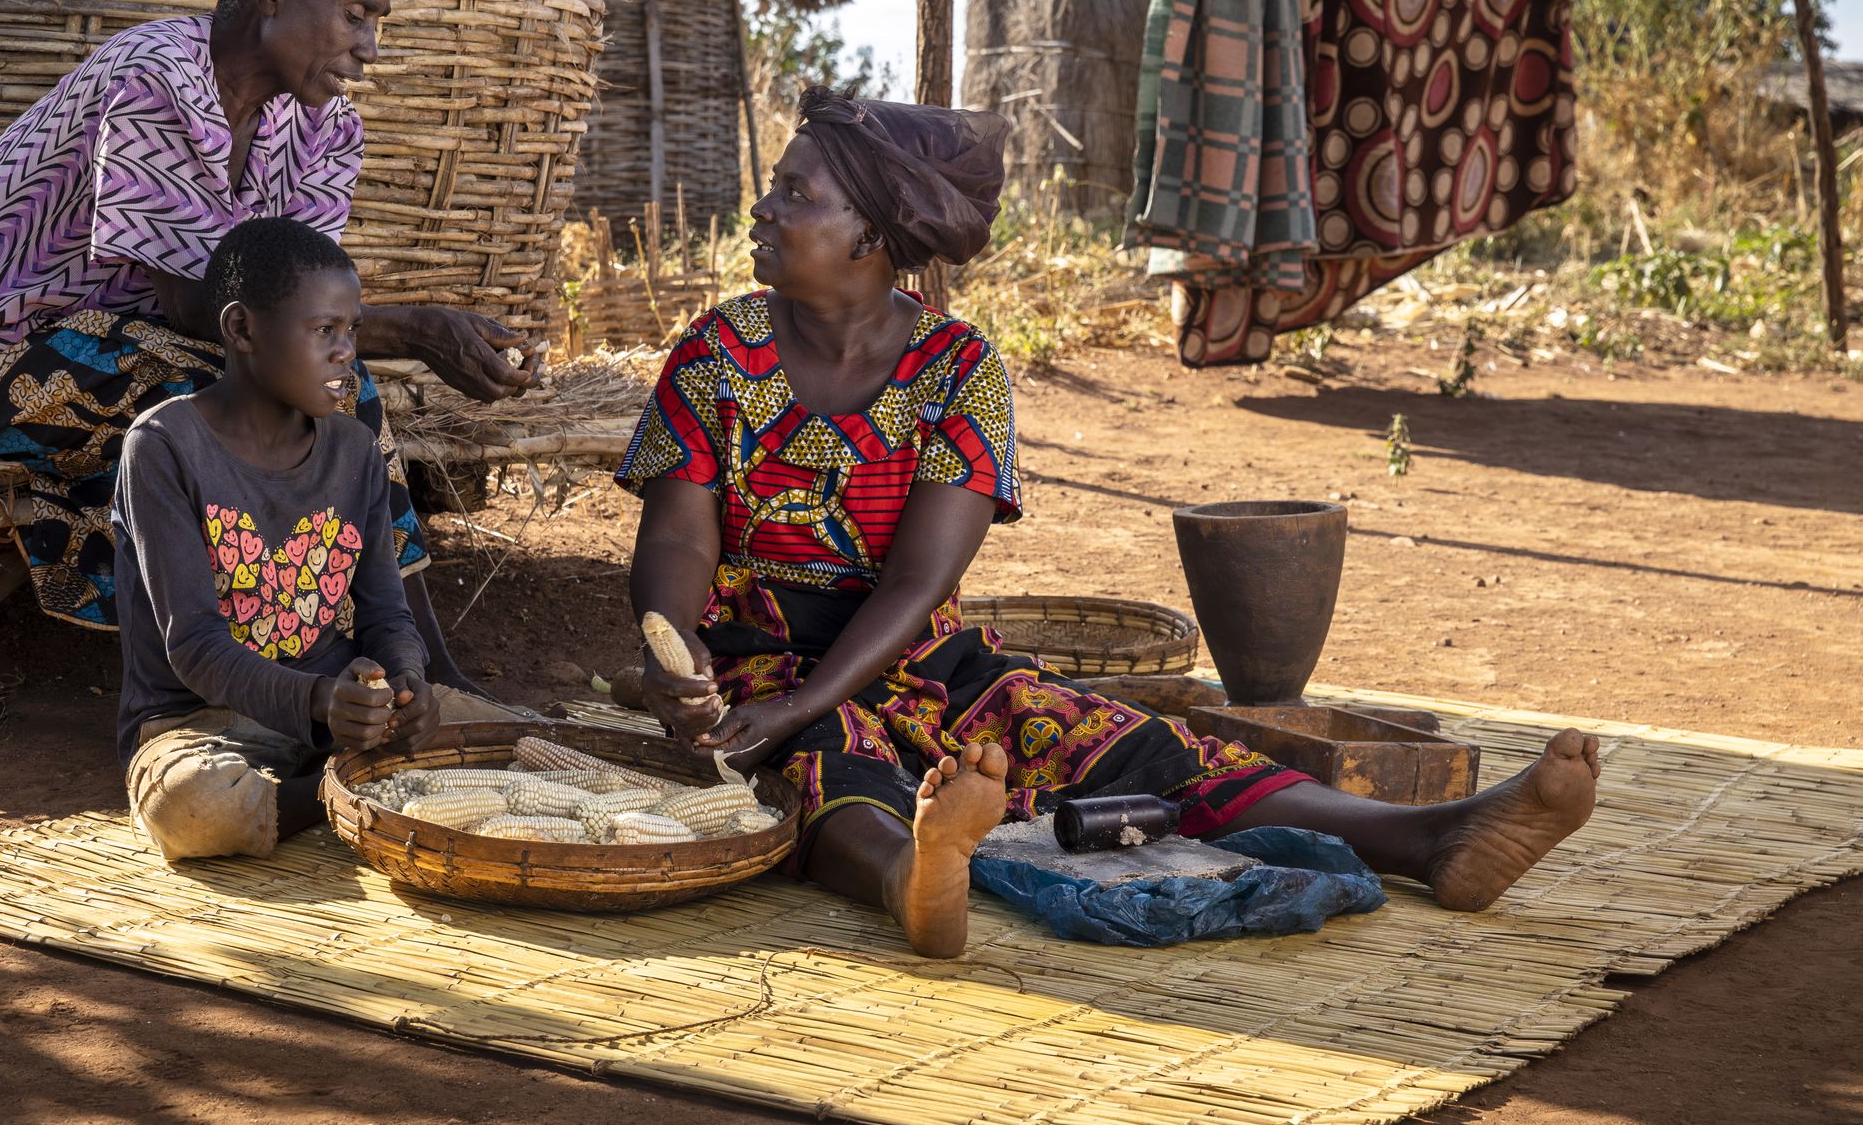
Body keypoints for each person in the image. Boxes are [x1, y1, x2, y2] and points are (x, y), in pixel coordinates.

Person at [617, 85, 1601, 958]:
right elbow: (675, 538)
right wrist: (677, 652)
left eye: (797, 193)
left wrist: (805, 698)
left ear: (871, 237)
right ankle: (911, 882)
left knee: (1128, 746)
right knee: (823, 764)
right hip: (754, 662)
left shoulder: (961, 370)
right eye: (776, 186)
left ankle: (1431, 838)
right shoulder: (714, 356)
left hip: (924, 654)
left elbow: (920, 583)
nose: (763, 206)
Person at [0, 0, 529, 701]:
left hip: (92, 350)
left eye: (377, 22)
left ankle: (348, 656)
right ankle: (403, 672)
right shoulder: (154, 74)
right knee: (312, 384)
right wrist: (414, 328)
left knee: (317, 379)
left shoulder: (325, 128)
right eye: (355, 15)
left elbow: (301, 308)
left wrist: (367, 337)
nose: (369, 48)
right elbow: (209, 312)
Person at [115, 217, 444, 860]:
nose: (346, 351)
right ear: (242, 329)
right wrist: (322, 700)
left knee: (512, 741)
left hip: (342, 718)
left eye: (351, 331)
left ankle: (336, 785)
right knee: (193, 808)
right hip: (203, 724)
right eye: (324, 330)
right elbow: (197, 648)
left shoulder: (353, 448)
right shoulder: (162, 448)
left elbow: (385, 612)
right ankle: (344, 795)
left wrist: (403, 686)